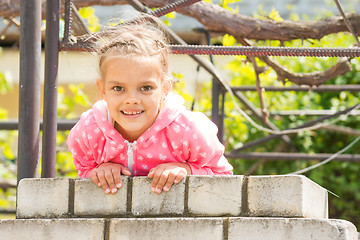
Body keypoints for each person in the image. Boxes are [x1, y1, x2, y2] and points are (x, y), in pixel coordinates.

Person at [67, 15, 233, 195]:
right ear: (103, 90)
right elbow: (82, 177)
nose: (132, 99)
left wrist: (187, 170)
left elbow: (224, 178)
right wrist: (98, 172)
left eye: (146, 88)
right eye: (118, 88)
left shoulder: (188, 131)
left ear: (165, 89)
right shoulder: (90, 133)